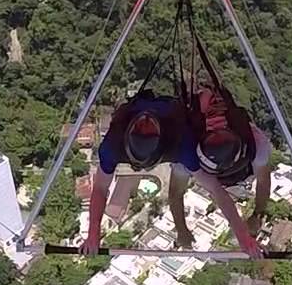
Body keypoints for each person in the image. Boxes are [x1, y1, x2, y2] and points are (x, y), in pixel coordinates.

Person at [80, 92, 199, 255]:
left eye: (144, 131)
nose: (146, 124)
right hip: (169, 115)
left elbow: (100, 188)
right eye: (145, 131)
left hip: (158, 116)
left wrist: (93, 234)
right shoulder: (180, 145)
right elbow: (100, 188)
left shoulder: (113, 147)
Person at [168, 86, 270, 259]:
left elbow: (263, 181)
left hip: (241, 169)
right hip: (216, 167)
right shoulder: (186, 152)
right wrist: (181, 229)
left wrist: (258, 214)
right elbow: (176, 193)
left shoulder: (256, 142)